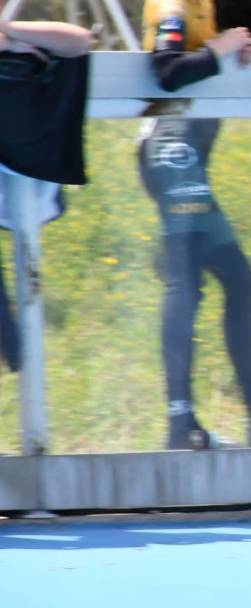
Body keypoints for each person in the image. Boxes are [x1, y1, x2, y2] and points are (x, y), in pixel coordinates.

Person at [138, 0, 251, 449]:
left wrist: (233, 57)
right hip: (171, 149)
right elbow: (165, 71)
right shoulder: (173, 3)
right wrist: (222, 51)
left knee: (241, 283)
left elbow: (195, 65)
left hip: (187, 154)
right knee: (186, 285)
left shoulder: (201, 5)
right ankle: (181, 424)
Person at [0, 13, 92, 373]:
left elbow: (79, 42)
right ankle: (16, 353)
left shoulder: (24, 33)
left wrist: (10, 32)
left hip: (23, 159)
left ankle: (20, 358)